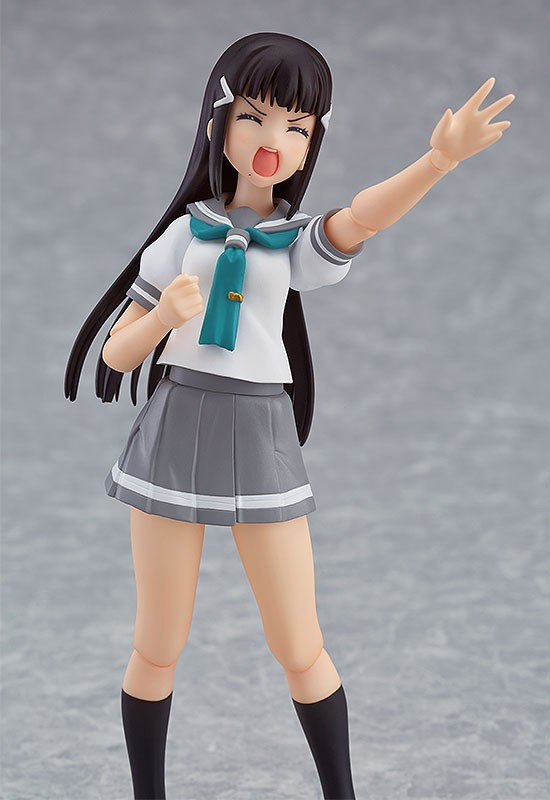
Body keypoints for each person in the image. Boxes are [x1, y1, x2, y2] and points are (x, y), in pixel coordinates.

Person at [64, 31, 514, 800]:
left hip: (262, 433)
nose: (273, 140)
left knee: (300, 644)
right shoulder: (182, 237)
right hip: (175, 430)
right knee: (158, 643)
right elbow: (116, 353)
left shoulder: (291, 244)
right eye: (255, 117)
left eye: (296, 127)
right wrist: (162, 319)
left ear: (313, 142)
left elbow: (360, 219)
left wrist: (437, 160)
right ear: (219, 122)